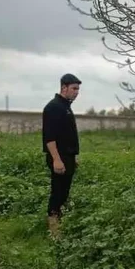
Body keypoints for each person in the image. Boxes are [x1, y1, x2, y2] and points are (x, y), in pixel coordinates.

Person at [42, 73, 81, 237]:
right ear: (63, 87)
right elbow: (49, 138)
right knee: (57, 192)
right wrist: (57, 160)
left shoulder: (66, 107)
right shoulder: (53, 107)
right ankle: (54, 229)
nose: (76, 92)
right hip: (59, 158)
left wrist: (74, 157)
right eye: (74, 88)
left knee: (64, 192)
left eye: (78, 89)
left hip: (68, 157)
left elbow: (67, 135)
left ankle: (60, 223)